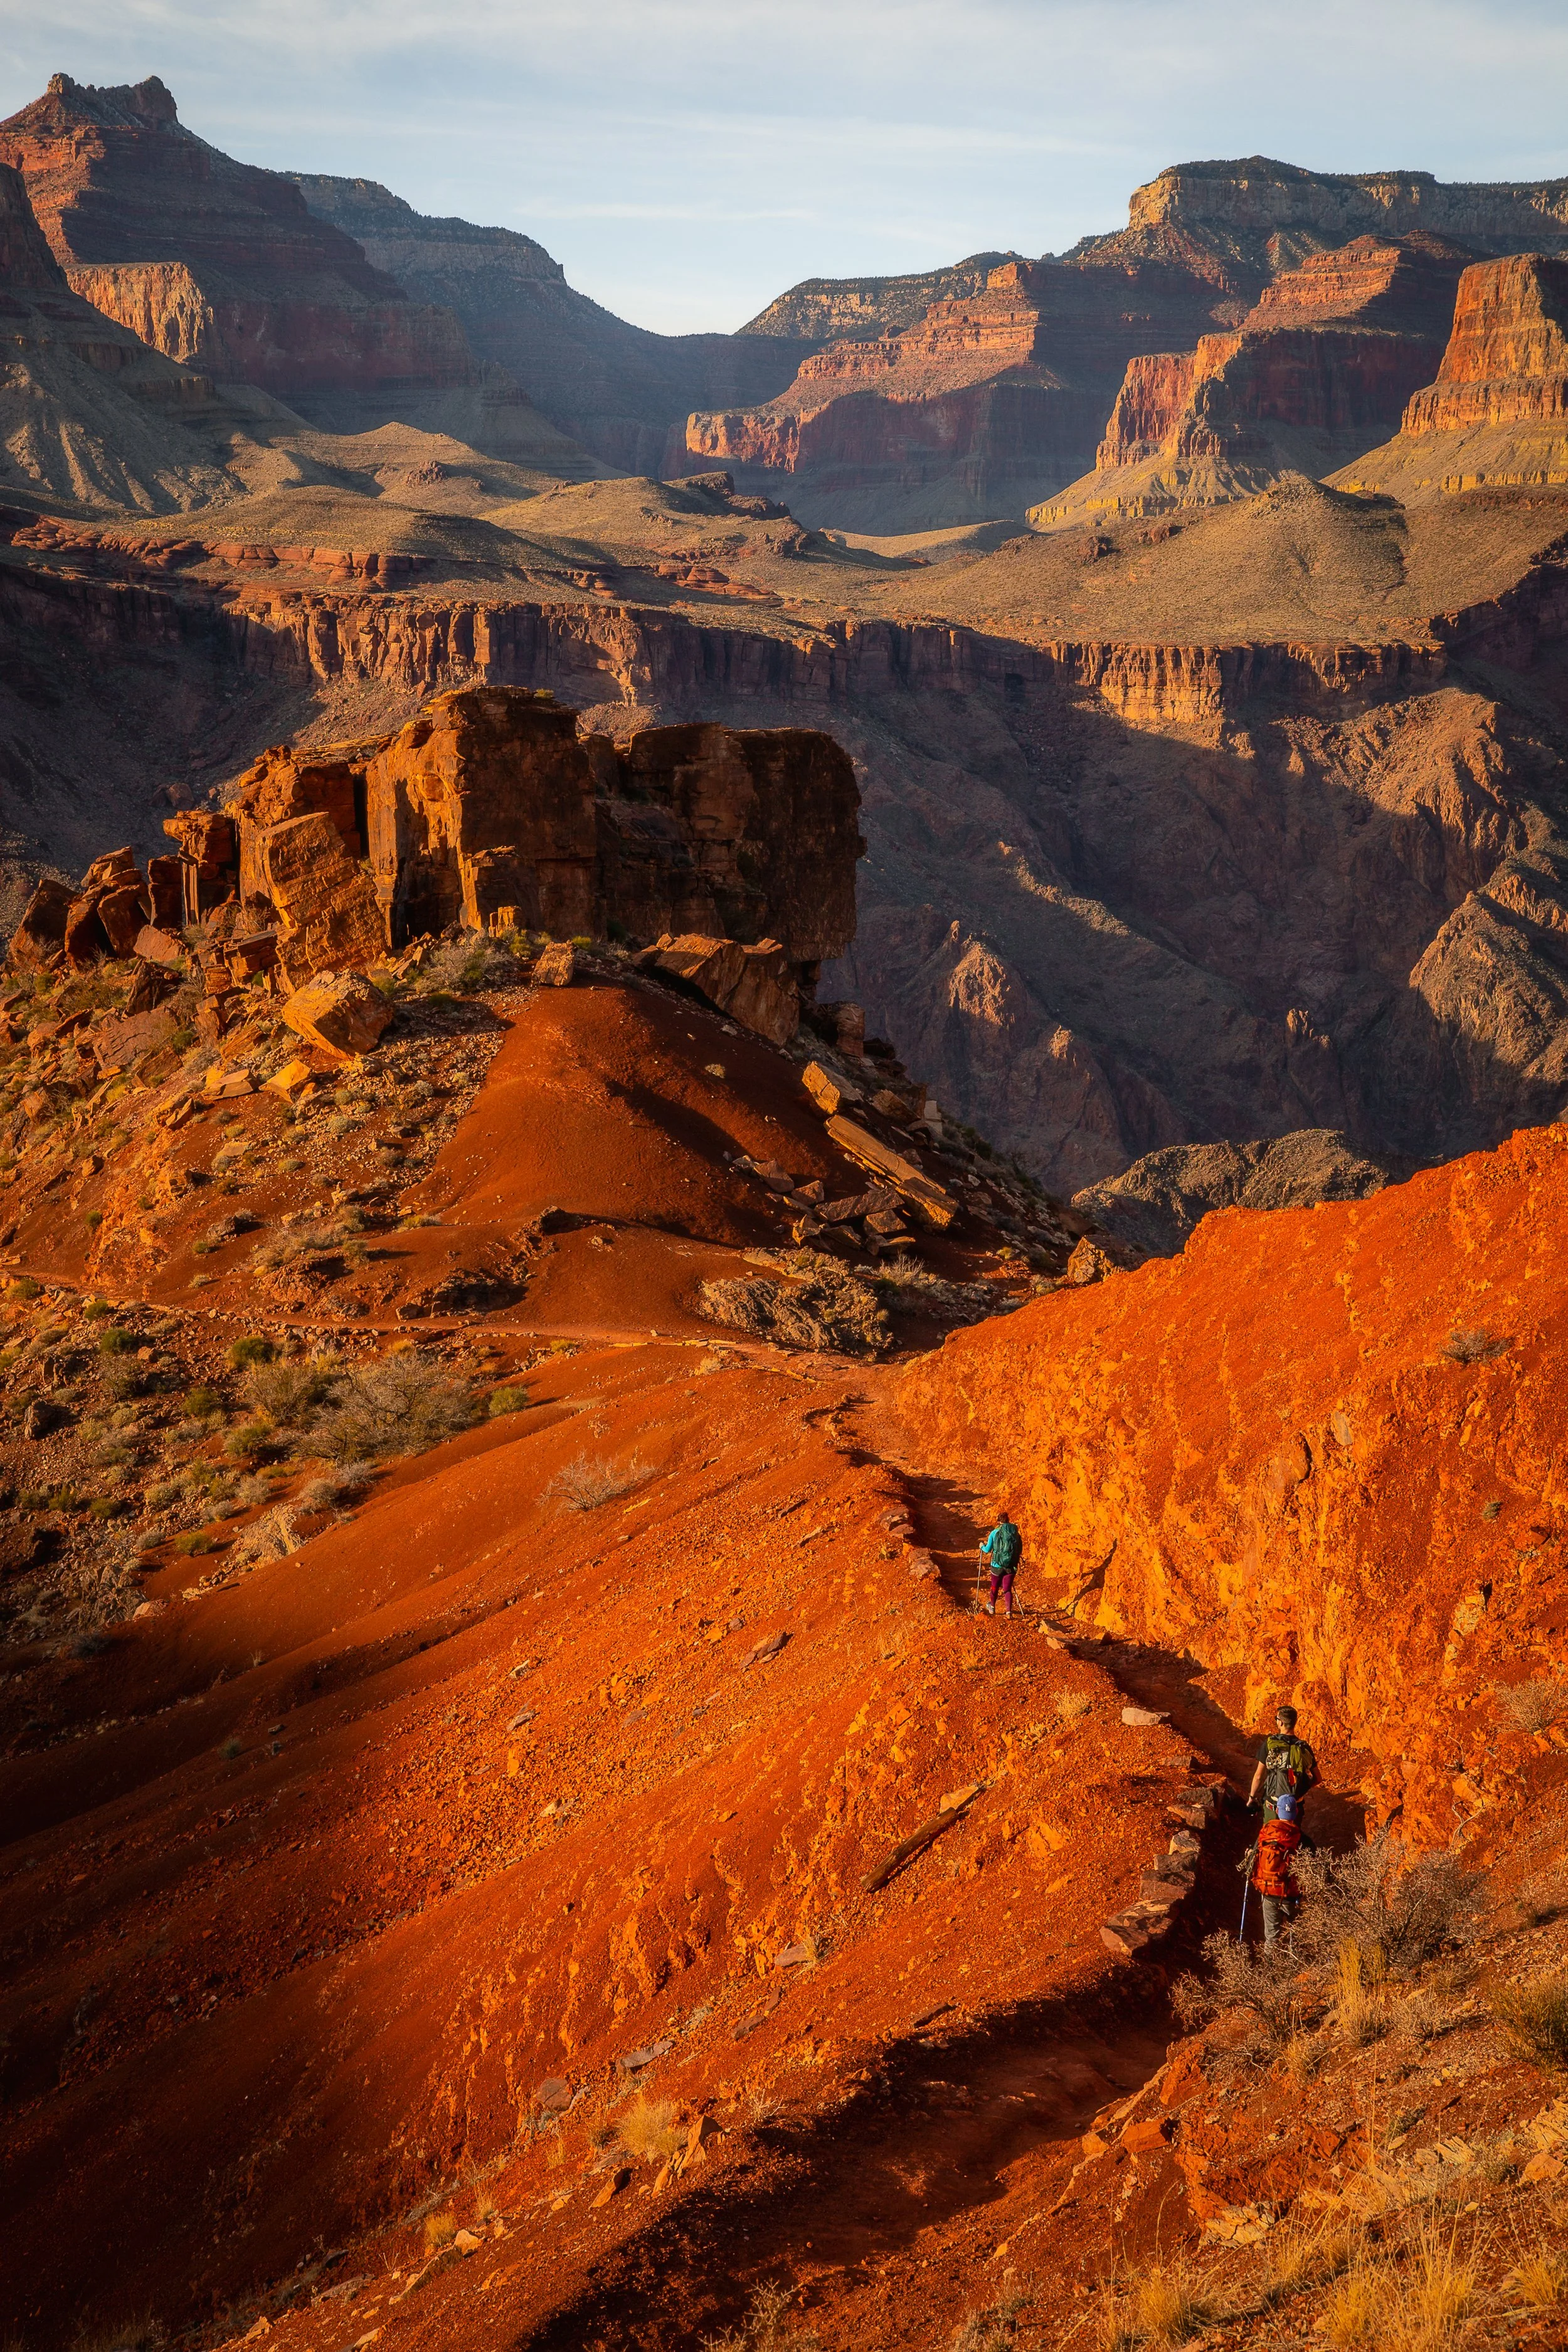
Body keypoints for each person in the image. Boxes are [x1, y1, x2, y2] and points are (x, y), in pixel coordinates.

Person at [1251, 1789, 1311, 1947]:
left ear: (1277, 1810)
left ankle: (1270, 1968)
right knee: (1296, 1935)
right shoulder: (1301, 1839)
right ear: (1296, 1811)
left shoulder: (1265, 1834)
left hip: (1268, 1892)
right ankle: (1295, 1967)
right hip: (1291, 1896)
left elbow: (1253, 1859)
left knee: (1271, 1938)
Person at [1247, 1703, 1318, 1821]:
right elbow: (1318, 1778)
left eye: (1277, 1719)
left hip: (1273, 1805)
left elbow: (1259, 1776)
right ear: (1295, 1723)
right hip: (1295, 1806)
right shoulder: (1304, 1748)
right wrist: (1301, 1789)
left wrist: (1252, 1798)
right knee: (1293, 1836)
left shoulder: (1270, 1743)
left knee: (1268, 1836)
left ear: (1281, 1722)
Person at [980, 1510, 1022, 1618]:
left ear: (998, 1522)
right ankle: (1009, 1612)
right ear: (1008, 1521)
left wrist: (981, 1546)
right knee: (1007, 1589)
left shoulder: (994, 1532)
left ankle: (992, 1608)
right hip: (1011, 1566)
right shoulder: (1015, 1532)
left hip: (997, 1565)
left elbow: (987, 1549)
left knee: (994, 1587)